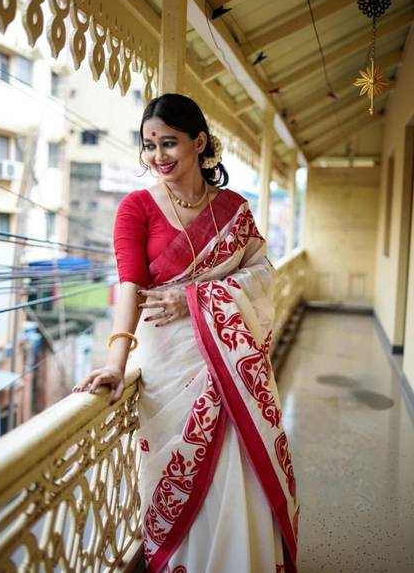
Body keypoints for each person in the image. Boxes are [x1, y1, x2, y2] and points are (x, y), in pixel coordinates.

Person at [73, 93, 299, 573]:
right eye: (149, 145)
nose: (158, 156)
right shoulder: (136, 207)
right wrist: (114, 363)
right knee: (180, 476)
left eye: (169, 143)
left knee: (236, 473)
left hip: (230, 366)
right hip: (168, 367)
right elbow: (130, 287)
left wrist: (193, 297)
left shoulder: (234, 211)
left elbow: (263, 275)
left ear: (199, 142)